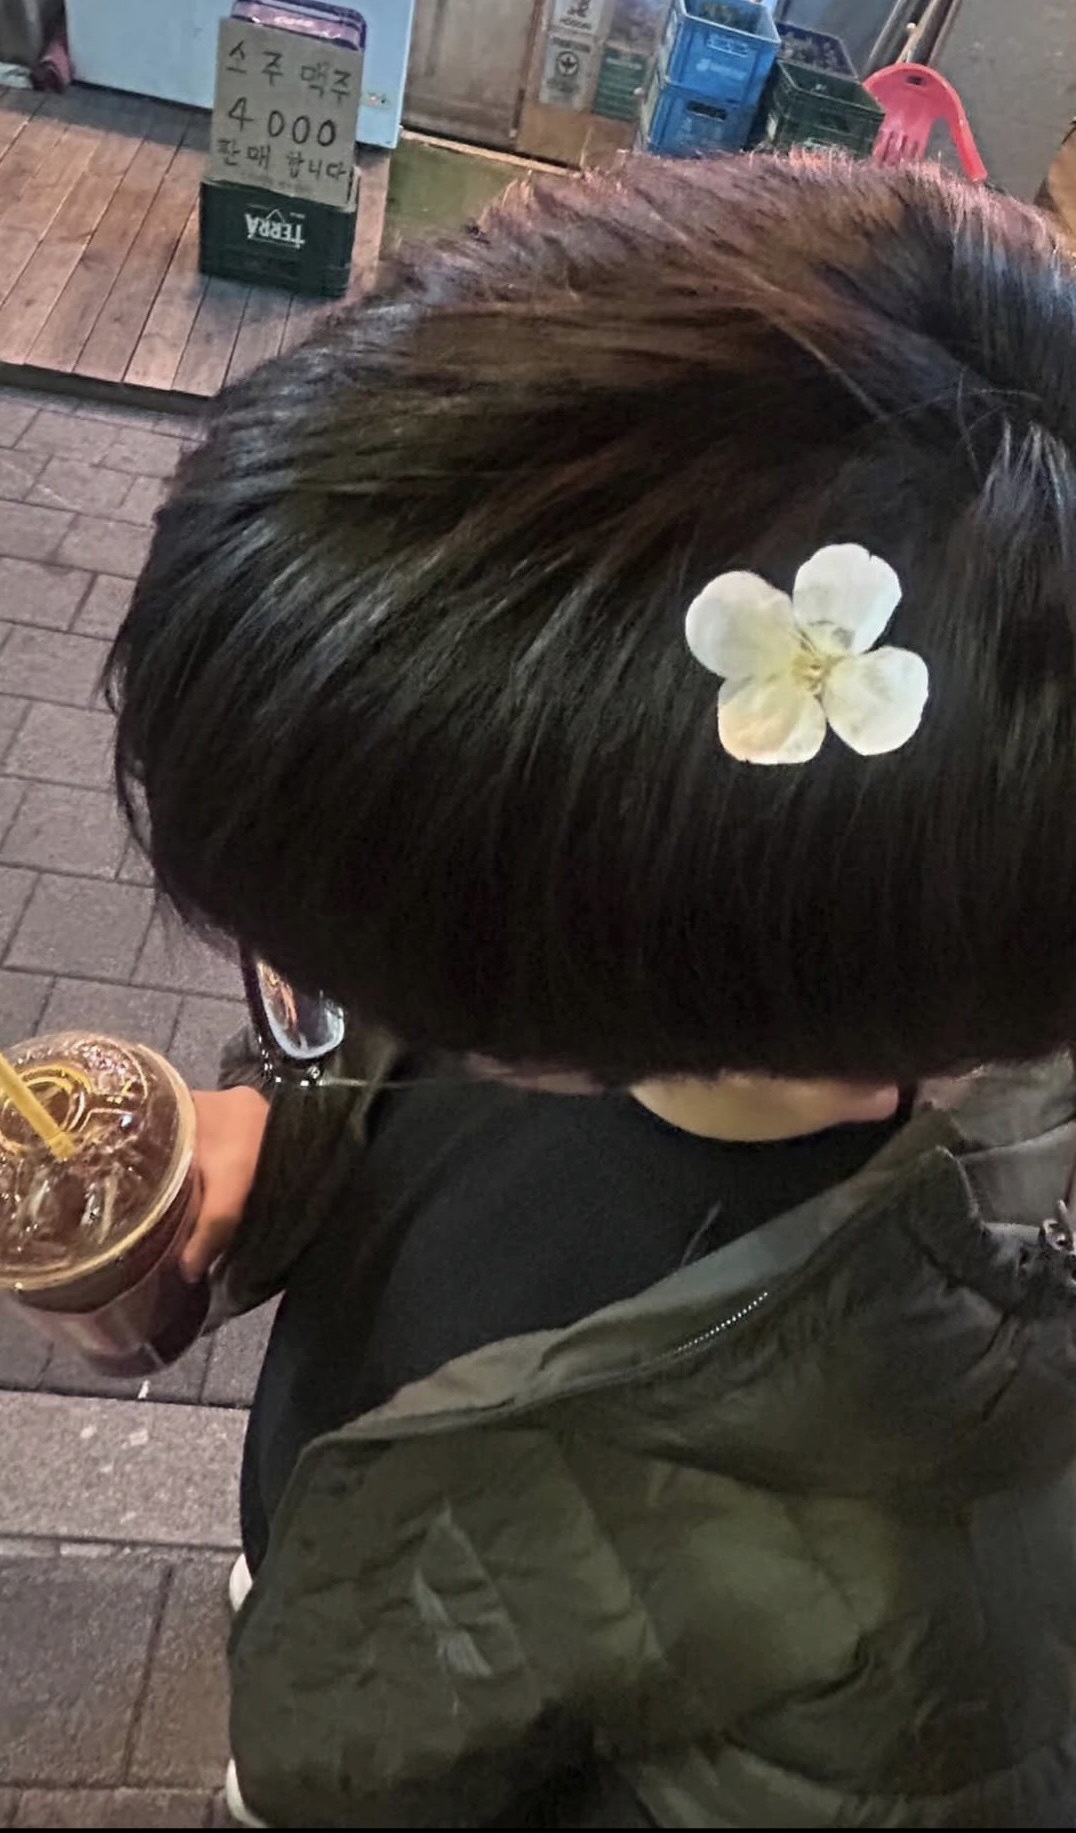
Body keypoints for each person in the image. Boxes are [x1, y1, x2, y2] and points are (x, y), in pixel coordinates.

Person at [109, 152, 1076, 1828]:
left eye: (347, 962)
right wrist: (284, 1120)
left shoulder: (908, 1634)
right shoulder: (627, 891)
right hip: (370, 1573)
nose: (312, 988)